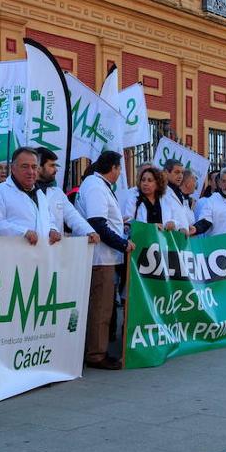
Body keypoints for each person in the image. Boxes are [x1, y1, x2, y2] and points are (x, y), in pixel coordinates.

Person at [77, 151, 131, 370]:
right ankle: (96, 354)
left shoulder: (98, 185)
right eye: (119, 169)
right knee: (101, 307)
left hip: (105, 256)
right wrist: (122, 243)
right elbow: (98, 222)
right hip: (100, 257)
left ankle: (96, 348)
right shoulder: (96, 186)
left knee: (104, 305)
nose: (119, 173)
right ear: (114, 168)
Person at [0, 147, 59, 244]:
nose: (30, 172)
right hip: (12, 256)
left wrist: (53, 230)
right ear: (13, 169)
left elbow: (49, 220)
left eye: (34, 167)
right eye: (25, 166)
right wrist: (23, 232)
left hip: (41, 255)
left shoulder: (40, 195)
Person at [36, 147, 97, 243]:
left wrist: (88, 231)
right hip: (30, 250)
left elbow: (72, 215)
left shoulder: (57, 192)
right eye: (52, 166)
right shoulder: (27, 191)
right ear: (38, 167)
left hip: (54, 250)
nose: (56, 169)